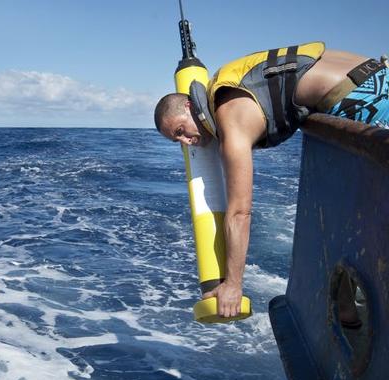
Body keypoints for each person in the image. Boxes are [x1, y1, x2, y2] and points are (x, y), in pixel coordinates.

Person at [154, 42, 389, 320]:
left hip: (365, 96)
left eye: (181, 130)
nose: (186, 142)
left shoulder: (232, 122)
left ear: (191, 105)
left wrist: (233, 285)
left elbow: (240, 213)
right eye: (176, 140)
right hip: (378, 73)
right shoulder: (226, 85)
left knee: (353, 223)